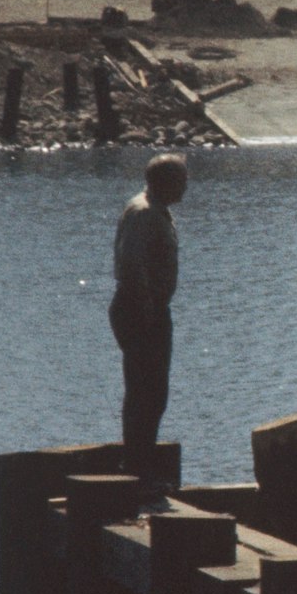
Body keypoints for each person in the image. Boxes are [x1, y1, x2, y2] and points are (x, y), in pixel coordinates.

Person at [108, 153, 187, 489]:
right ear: (164, 182)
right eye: (181, 180)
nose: (185, 187)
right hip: (140, 310)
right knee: (146, 391)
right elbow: (130, 265)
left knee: (152, 392)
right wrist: (148, 308)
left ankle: (140, 463)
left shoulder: (155, 209)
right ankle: (137, 469)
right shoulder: (144, 212)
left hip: (148, 308)